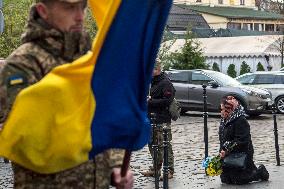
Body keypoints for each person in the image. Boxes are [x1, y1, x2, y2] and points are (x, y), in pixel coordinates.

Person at [0, 0, 133, 188]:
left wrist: (116, 165)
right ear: (43, 11)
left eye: (83, 7)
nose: (80, 16)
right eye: (69, 7)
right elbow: (26, 139)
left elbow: (102, 120)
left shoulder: (87, 60)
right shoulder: (24, 64)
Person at [219, 96, 269, 185]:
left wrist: (227, 150)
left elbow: (242, 140)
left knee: (239, 180)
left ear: (230, 109)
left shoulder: (240, 120)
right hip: (229, 153)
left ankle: (260, 172)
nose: (221, 111)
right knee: (225, 179)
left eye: (223, 109)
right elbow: (222, 139)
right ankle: (251, 169)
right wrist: (221, 152)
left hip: (242, 151)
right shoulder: (224, 120)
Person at [141, 59, 175, 179]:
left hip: (162, 120)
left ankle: (169, 170)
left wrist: (150, 101)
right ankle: (156, 169)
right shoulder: (152, 81)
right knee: (152, 145)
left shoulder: (165, 83)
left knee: (164, 146)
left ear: (157, 69)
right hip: (151, 118)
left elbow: (167, 101)